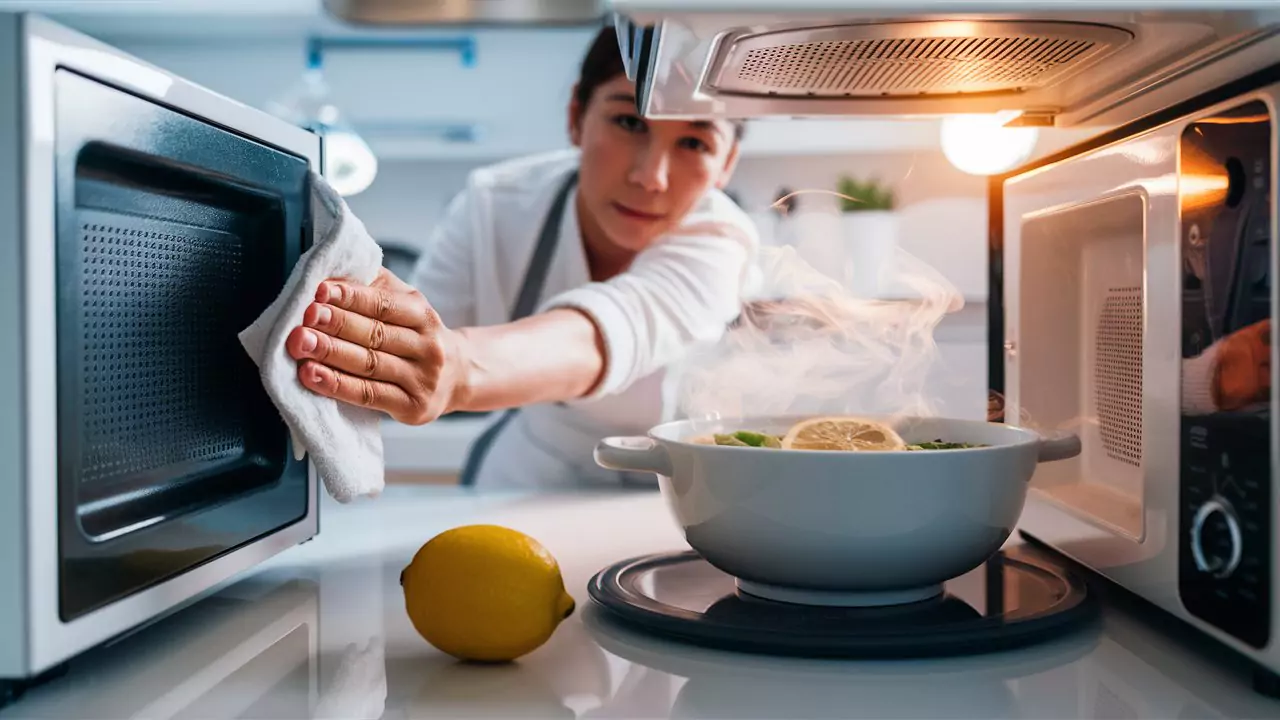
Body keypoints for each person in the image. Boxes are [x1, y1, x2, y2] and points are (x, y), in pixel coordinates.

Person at [284, 25, 757, 488]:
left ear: (728, 164)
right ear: (576, 115)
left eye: (694, 143)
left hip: (678, 485)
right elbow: (415, 339)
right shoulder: (494, 205)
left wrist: (459, 371)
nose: (651, 177)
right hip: (529, 472)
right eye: (629, 122)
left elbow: (615, 328)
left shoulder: (723, 240)